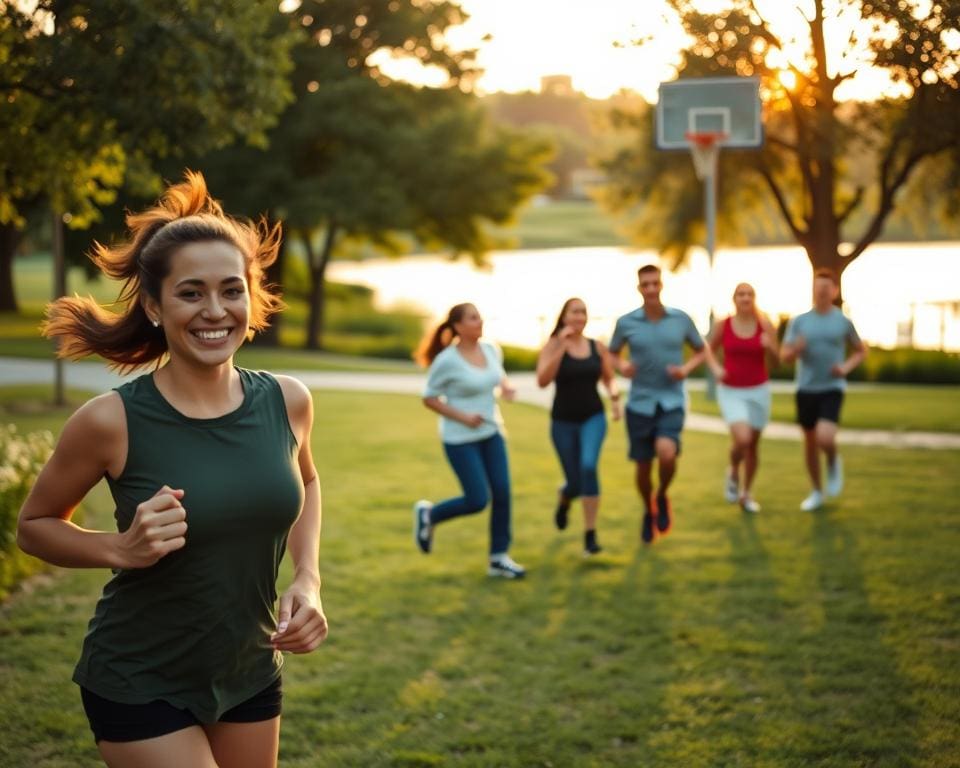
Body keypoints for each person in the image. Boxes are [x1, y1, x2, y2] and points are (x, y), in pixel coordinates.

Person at [16, 172, 327, 768]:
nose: (215, 311)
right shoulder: (110, 421)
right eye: (191, 293)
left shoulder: (288, 400)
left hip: (249, 668)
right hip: (139, 675)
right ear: (155, 307)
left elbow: (308, 481)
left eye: (232, 290)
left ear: (252, 300)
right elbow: (34, 526)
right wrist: (120, 547)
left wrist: (307, 579)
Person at [412, 303, 525, 578]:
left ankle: (498, 558)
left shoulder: (490, 348)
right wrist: (463, 417)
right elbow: (429, 398)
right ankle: (430, 515)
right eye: (473, 318)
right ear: (458, 326)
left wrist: (506, 387)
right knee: (477, 500)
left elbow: (498, 374)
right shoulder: (447, 360)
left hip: (491, 432)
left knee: (503, 493)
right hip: (460, 439)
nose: (480, 321)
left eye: (480, 316)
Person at [608, 264, 706, 544]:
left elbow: (701, 350)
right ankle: (647, 509)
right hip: (639, 403)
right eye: (645, 284)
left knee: (666, 452)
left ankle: (662, 495)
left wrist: (686, 370)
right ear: (639, 288)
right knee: (642, 467)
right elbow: (612, 354)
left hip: (672, 400)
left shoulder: (681, 319)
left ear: (662, 285)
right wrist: (622, 365)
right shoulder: (626, 322)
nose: (651, 288)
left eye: (655, 283)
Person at [536, 297, 621, 555]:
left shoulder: (597, 347)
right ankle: (565, 498)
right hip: (562, 422)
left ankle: (590, 535)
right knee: (574, 483)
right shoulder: (552, 345)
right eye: (574, 312)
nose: (579, 317)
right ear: (564, 317)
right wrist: (561, 346)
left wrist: (616, 400)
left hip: (593, 417)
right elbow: (542, 380)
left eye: (583, 312)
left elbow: (609, 379)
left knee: (588, 467)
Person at [780, 267, 866, 511]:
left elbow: (860, 350)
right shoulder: (800, 322)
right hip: (806, 389)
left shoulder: (842, 321)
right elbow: (784, 356)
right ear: (813, 290)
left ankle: (832, 459)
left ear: (834, 291)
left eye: (826, 289)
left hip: (832, 387)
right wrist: (795, 349)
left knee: (824, 437)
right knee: (809, 444)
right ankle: (817, 491)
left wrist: (846, 367)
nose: (821, 293)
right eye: (817, 289)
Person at [705, 283, 778, 513]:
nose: (745, 298)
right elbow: (706, 349)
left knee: (753, 445)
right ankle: (734, 471)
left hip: (759, 390)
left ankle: (746, 494)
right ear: (734, 299)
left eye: (749, 294)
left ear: (754, 298)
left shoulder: (765, 325)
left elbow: (778, 362)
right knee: (743, 439)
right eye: (741, 294)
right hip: (731, 390)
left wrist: (770, 348)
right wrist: (716, 369)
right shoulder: (723, 325)